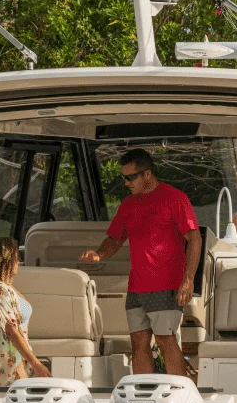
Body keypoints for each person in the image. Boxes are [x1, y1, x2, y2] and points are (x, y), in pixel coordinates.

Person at [80, 148, 201, 377]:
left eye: (131, 177)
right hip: (136, 286)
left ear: (148, 174)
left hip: (166, 285)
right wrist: (99, 255)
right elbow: (115, 238)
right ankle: (144, 392)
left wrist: (188, 279)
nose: (126, 183)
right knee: (138, 343)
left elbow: (194, 238)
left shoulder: (174, 198)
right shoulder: (128, 205)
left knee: (166, 340)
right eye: (123, 178)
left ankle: (181, 391)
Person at [0, 237, 48, 386]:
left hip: (15, 361)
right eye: (16, 258)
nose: (18, 262)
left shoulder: (7, 289)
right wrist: (35, 363)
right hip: (8, 365)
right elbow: (10, 330)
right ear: (5, 261)